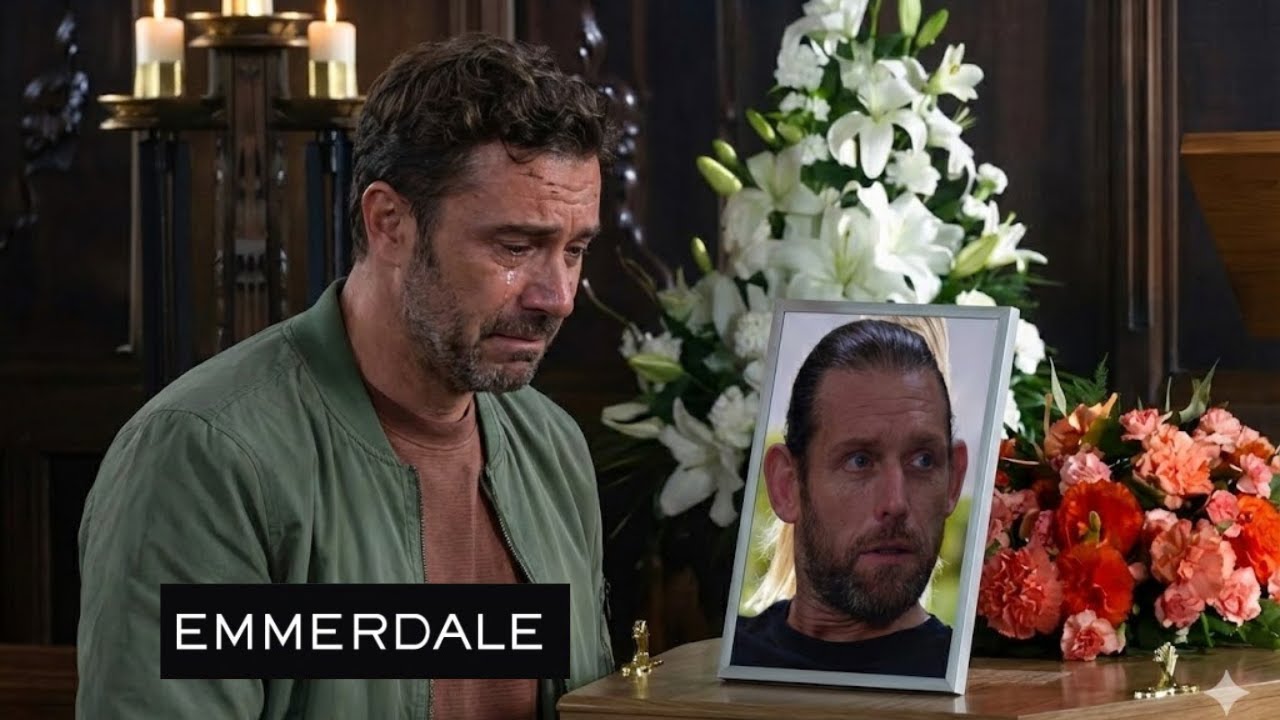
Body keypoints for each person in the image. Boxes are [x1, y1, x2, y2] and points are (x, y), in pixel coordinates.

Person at [76, 34, 616, 719]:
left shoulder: (553, 446)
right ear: (389, 222)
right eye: (515, 246)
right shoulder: (203, 456)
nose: (558, 296)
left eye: (574, 250)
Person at [732, 319, 966, 678]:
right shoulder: (728, 660)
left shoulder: (972, 678)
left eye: (923, 460)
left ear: (953, 482)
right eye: (859, 461)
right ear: (786, 485)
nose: (895, 503)